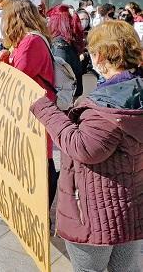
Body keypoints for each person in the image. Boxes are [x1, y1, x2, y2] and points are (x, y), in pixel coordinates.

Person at [30, 20, 143, 272]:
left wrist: (46, 110)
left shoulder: (106, 104)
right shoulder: (135, 89)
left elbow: (82, 147)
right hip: (132, 204)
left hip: (96, 209)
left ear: (100, 55)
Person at [0, 0, 59, 209]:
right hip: (35, 109)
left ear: (13, 18)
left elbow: (18, 77)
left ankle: (41, 211)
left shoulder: (31, 42)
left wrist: (4, 61)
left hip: (37, 111)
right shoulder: (28, 40)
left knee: (41, 161)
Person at [48, 4, 85, 98]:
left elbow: (59, 82)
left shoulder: (60, 46)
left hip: (62, 100)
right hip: (70, 97)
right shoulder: (67, 42)